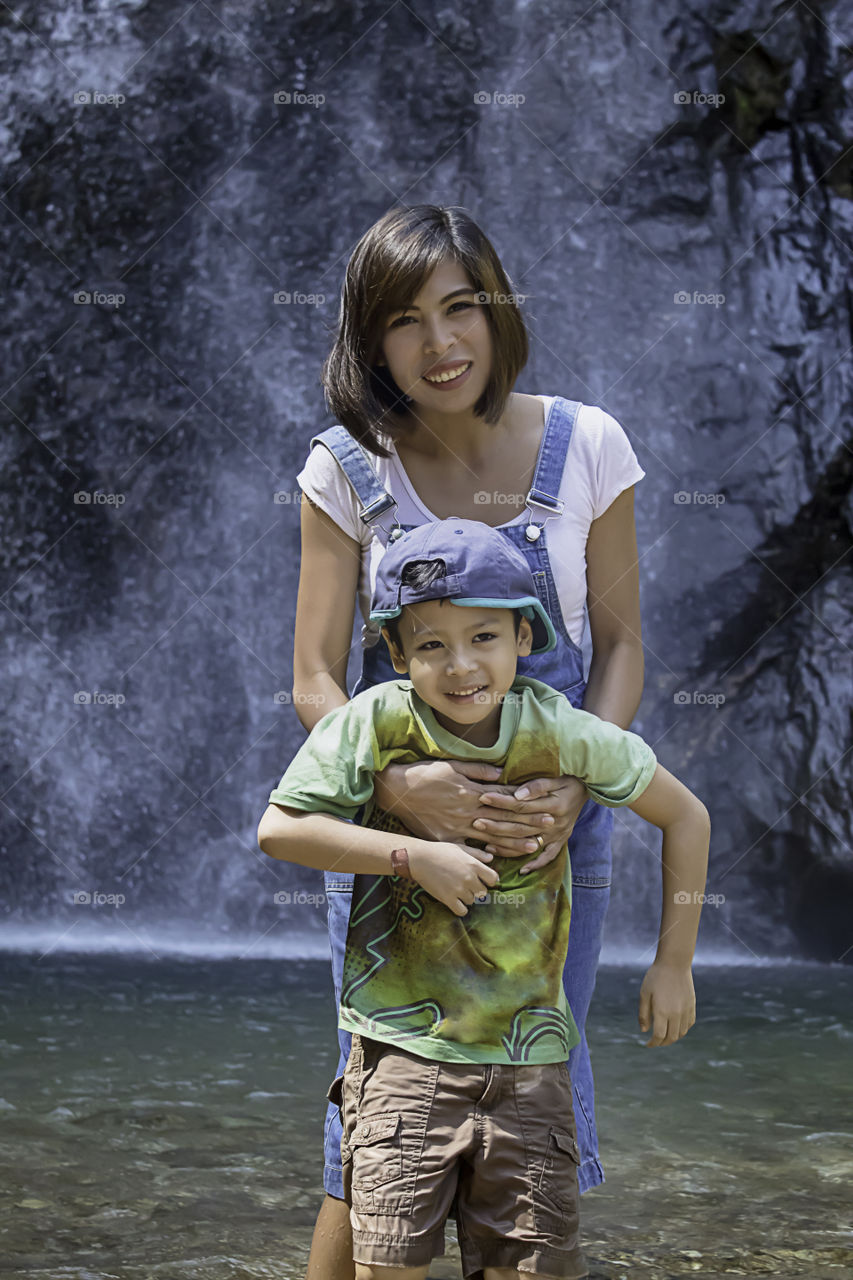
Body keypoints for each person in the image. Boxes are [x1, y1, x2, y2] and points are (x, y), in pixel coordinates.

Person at [292, 203, 649, 1278]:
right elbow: (314, 674)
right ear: (370, 339)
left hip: (552, 837)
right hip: (391, 834)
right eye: (405, 320)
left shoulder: (589, 442)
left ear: (498, 311)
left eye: (461, 308)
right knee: (384, 1088)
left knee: (537, 1076)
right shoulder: (345, 467)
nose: (439, 343)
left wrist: (582, 788)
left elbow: (625, 644)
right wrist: (400, 785)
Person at [259, 518, 711, 1280]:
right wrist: (411, 856)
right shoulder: (375, 722)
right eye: (430, 644)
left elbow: (686, 815)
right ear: (396, 654)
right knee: (389, 1264)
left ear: (525, 639)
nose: (461, 665)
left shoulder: (560, 730)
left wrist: (675, 963)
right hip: (403, 1055)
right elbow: (280, 828)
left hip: (530, 1065)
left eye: (484, 638)